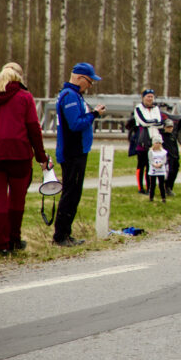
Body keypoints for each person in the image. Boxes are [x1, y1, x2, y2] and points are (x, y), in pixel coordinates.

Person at [0, 63, 50, 255]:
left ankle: (0, 244)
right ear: (19, 77)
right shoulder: (24, 97)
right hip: (19, 154)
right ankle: (14, 239)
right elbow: (33, 128)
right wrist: (41, 156)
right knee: (17, 199)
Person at [53, 63, 106, 246]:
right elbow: (75, 124)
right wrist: (94, 114)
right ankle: (60, 236)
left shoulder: (76, 95)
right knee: (70, 194)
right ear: (78, 78)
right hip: (72, 153)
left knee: (74, 194)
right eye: (89, 81)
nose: (90, 85)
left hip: (78, 152)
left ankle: (66, 233)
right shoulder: (70, 96)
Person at [133, 89, 163, 194]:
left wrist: (153, 122)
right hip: (143, 138)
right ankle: (140, 187)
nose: (150, 99)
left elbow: (160, 123)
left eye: (151, 97)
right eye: (148, 96)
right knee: (141, 164)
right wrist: (154, 121)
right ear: (143, 97)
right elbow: (143, 122)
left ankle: (149, 186)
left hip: (154, 138)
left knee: (151, 164)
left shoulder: (156, 108)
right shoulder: (138, 108)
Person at [160, 119, 180, 196]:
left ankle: (170, 187)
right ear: (164, 127)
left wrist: (177, 156)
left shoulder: (172, 136)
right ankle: (166, 187)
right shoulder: (162, 137)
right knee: (168, 173)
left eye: (171, 127)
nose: (170, 128)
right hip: (167, 158)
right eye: (168, 127)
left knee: (175, 171)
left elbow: (175, 147)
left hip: (174, 158)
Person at [147, 137, 168, 202]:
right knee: (153, 184)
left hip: (161, 170)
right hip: (153, 170)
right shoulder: (151, 151)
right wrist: (154, 165)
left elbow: (164, 160)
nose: (158, 144)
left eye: (159, 143)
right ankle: (151, 197)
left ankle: (163, 198)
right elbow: (150, 160)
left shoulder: (164, 152)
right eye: (156, 143)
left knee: (161, 185)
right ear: (153, 143)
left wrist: (160, 164)